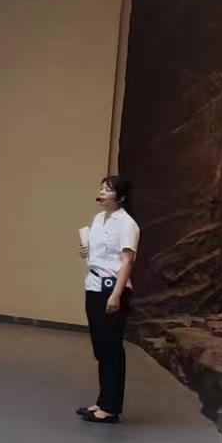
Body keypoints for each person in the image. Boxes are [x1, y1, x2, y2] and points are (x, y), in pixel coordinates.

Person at [77, 175, 139, 424]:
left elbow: (127, 262)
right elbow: (100, 253)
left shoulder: (127, 224)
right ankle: (103, 401)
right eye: (101, 188)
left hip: (112, 288)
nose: (102, 192)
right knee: (100, 347)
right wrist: (86, 250)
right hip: (93, 285)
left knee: (111, 347)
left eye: (108, 189)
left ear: (120, 197)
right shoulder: (98, 219)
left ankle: (111, 409)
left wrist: (116, 295)